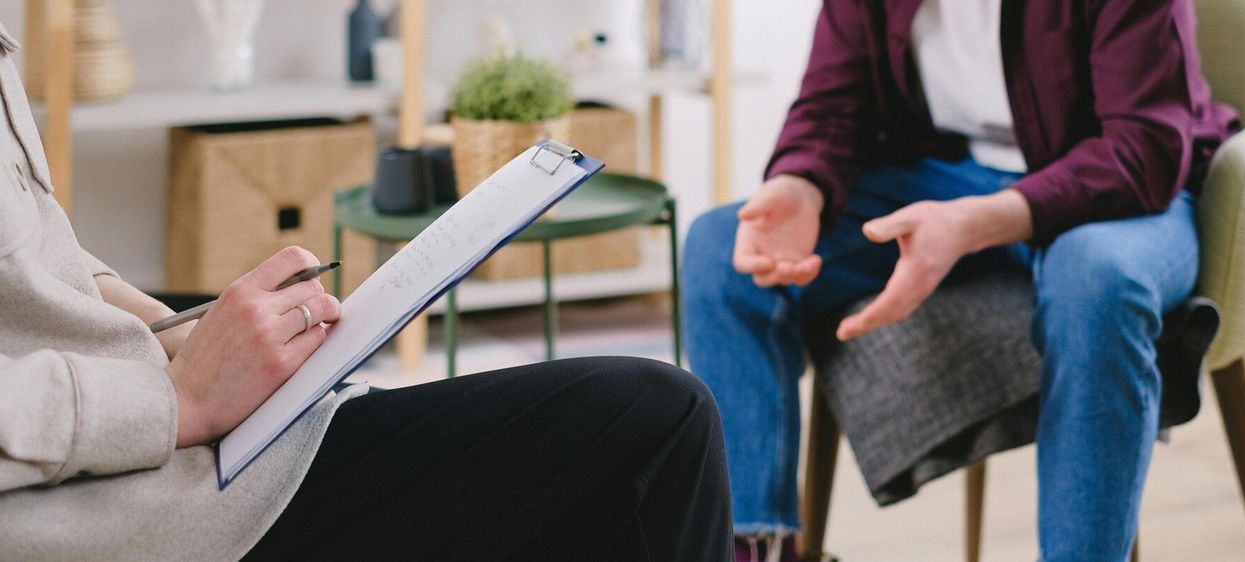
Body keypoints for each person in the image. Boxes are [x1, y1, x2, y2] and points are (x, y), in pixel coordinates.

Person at [0, 20, 731, 562]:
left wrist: (176, 329)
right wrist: (180, 399)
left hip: (156, 423)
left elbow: (42, 255)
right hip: (125, 496)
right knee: (660, 421)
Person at [682, 0, 1239, 560]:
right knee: (719, 246)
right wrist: (803, 182)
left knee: (1098, 284)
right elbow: (834, 102)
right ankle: (756, 551)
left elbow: (1145, 151)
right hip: (943, 174)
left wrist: (976, 223)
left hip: (1117, 187)